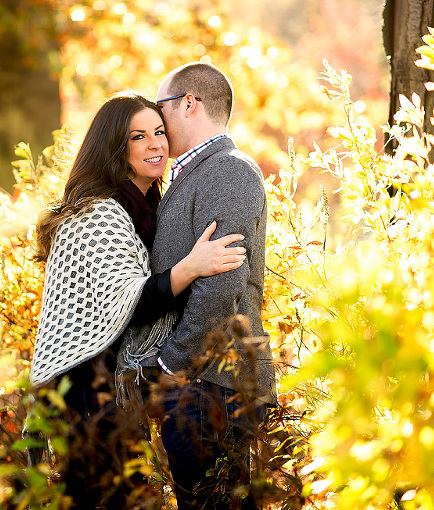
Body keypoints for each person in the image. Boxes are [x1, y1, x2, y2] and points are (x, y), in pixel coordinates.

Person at [29, 92, 247, 509]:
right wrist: (193, 266)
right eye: (138, 137)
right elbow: (128, 303)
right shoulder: (100, 213)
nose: (155, 145)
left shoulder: (148, 210)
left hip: (116, 383)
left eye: (160, 132)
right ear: (115, 147)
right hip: (85, 385)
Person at [151, 62, 277, 509]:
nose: (154, 119)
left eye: (158, 106)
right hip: (202, 384)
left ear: (188, 104)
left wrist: (172, 366)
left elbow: (223, 286)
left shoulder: (227, 170)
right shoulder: (194, 173)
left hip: (214, 384)